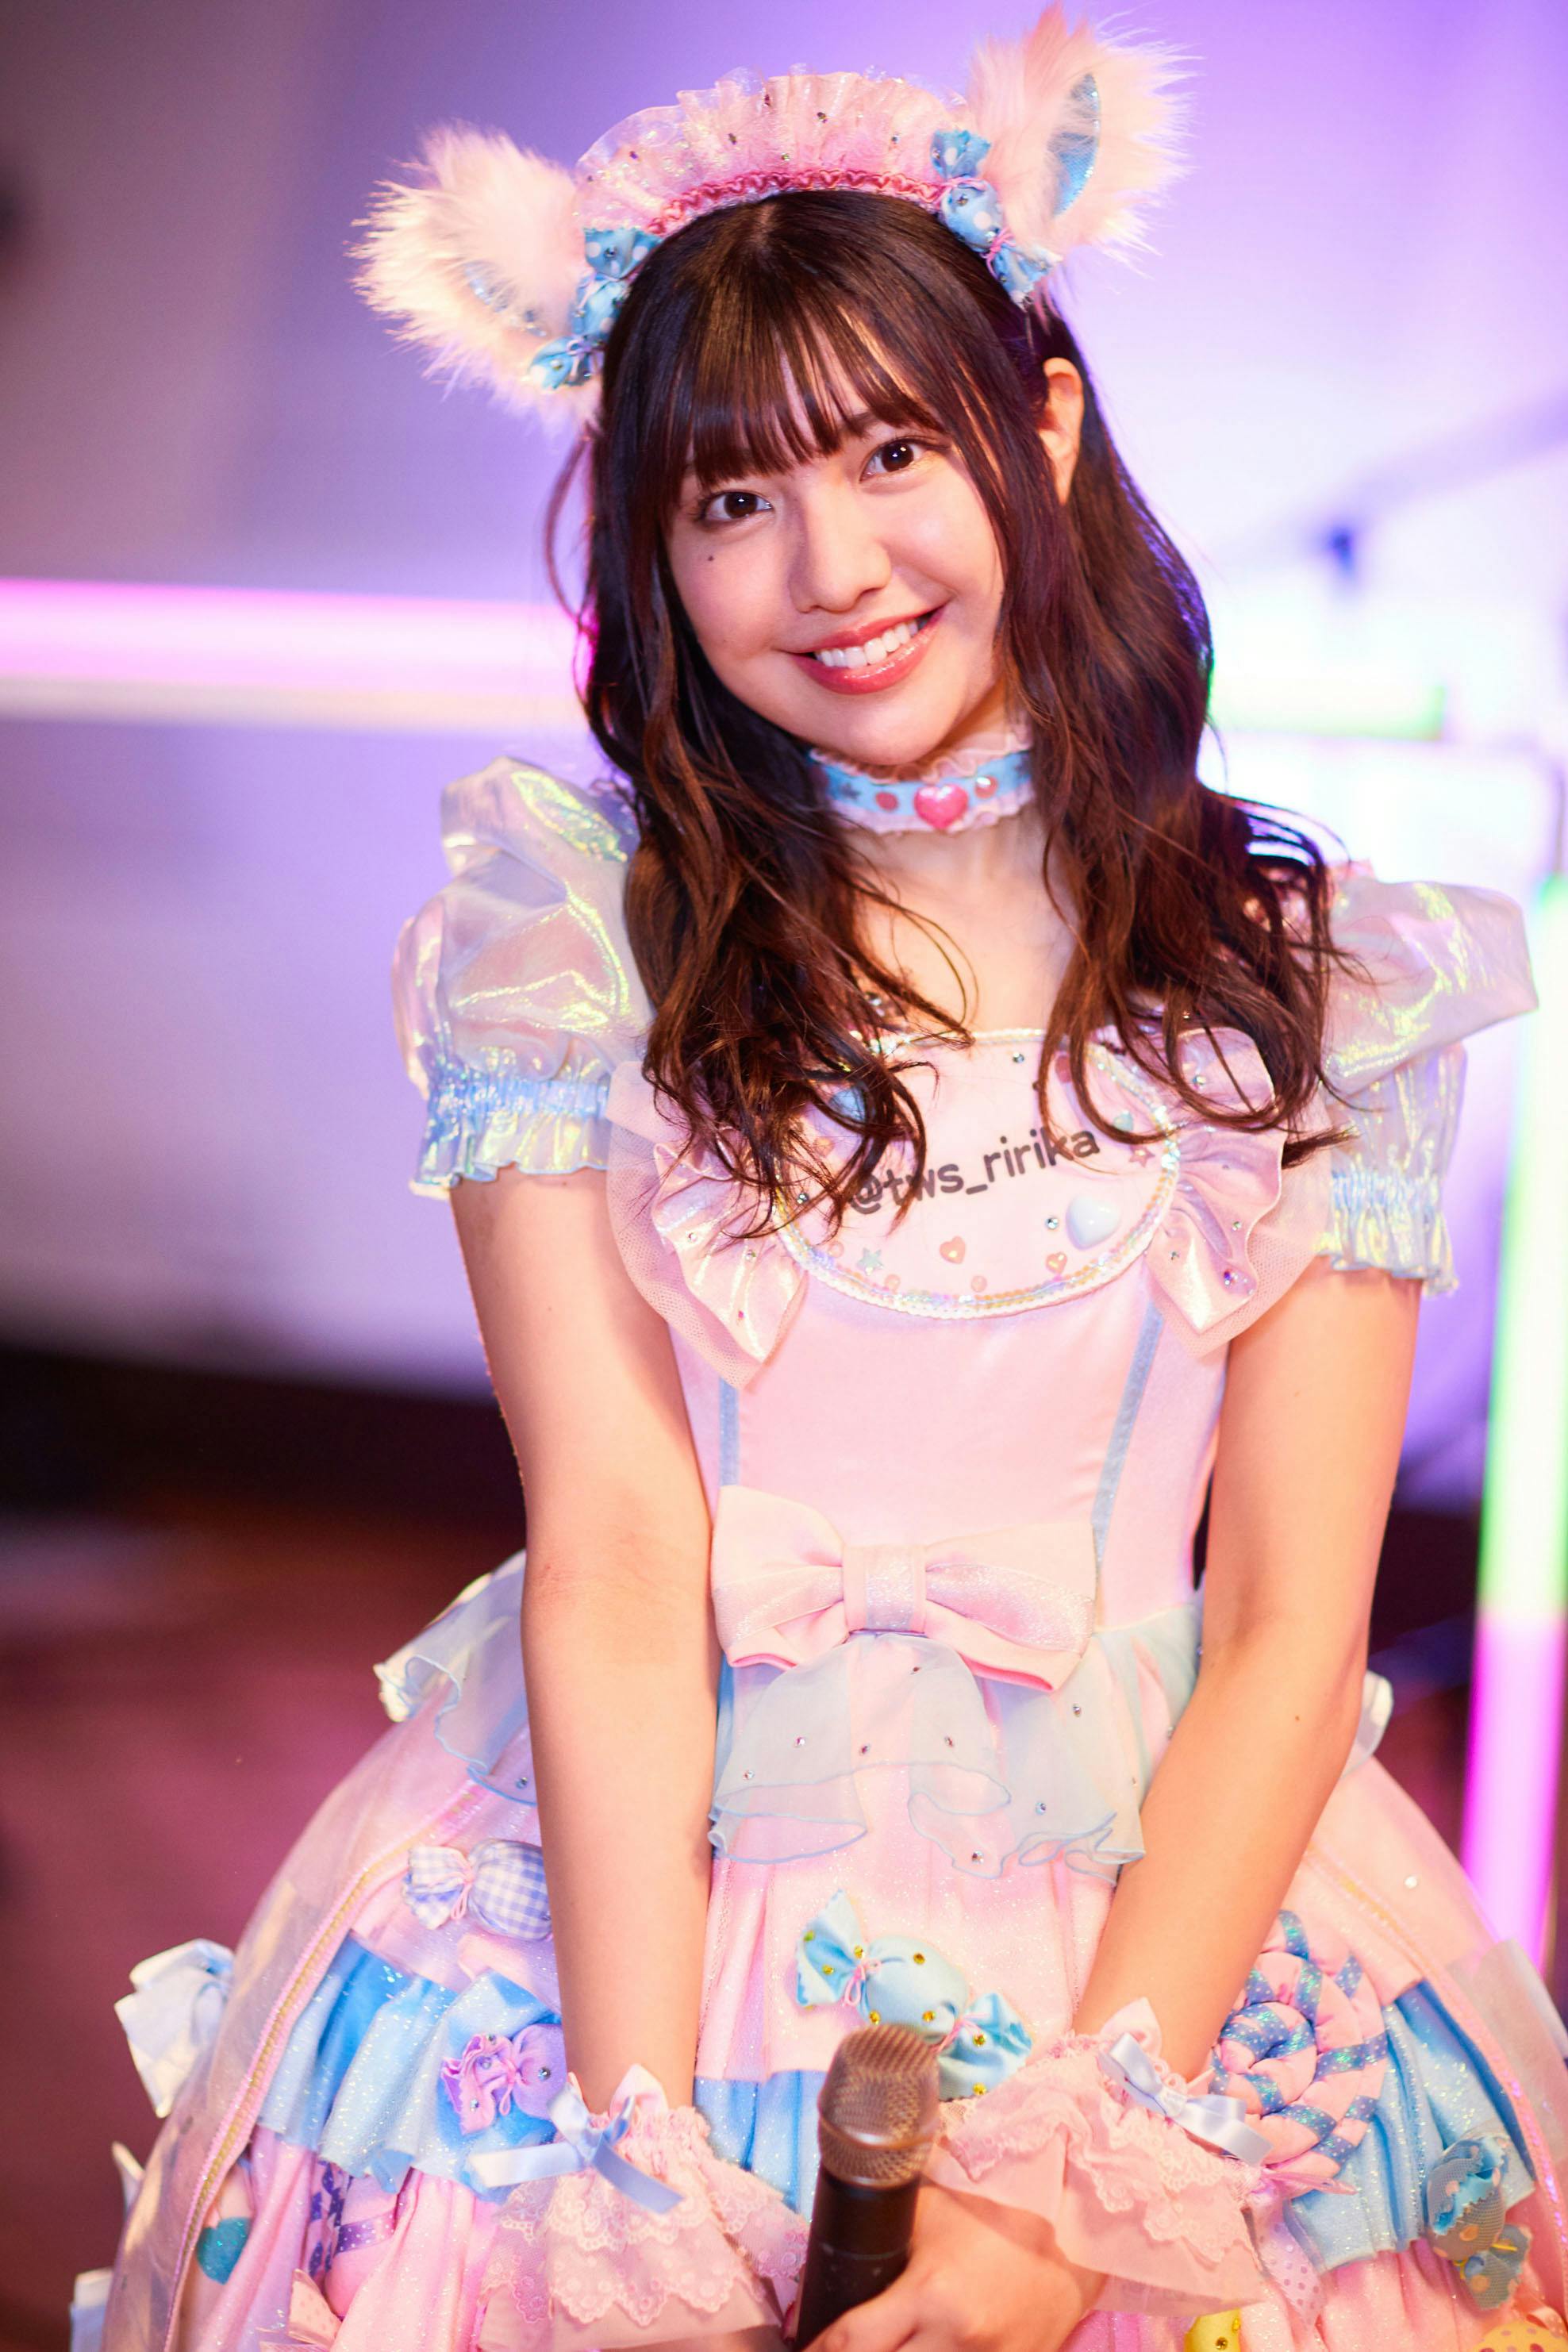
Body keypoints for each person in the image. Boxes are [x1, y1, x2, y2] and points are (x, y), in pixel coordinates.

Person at [86, 12, 1568, 2350]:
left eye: (892, 451)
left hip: (1156, 1933)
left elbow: (1296, 1621)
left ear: (1041, 430)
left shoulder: (1315, 985)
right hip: (624, 1909)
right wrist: (636, 2152)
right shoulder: (568, 961)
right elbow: (615, 1551)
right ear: (654, 546)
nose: (832, 567)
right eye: (733, 499)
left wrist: (1070, 2191)